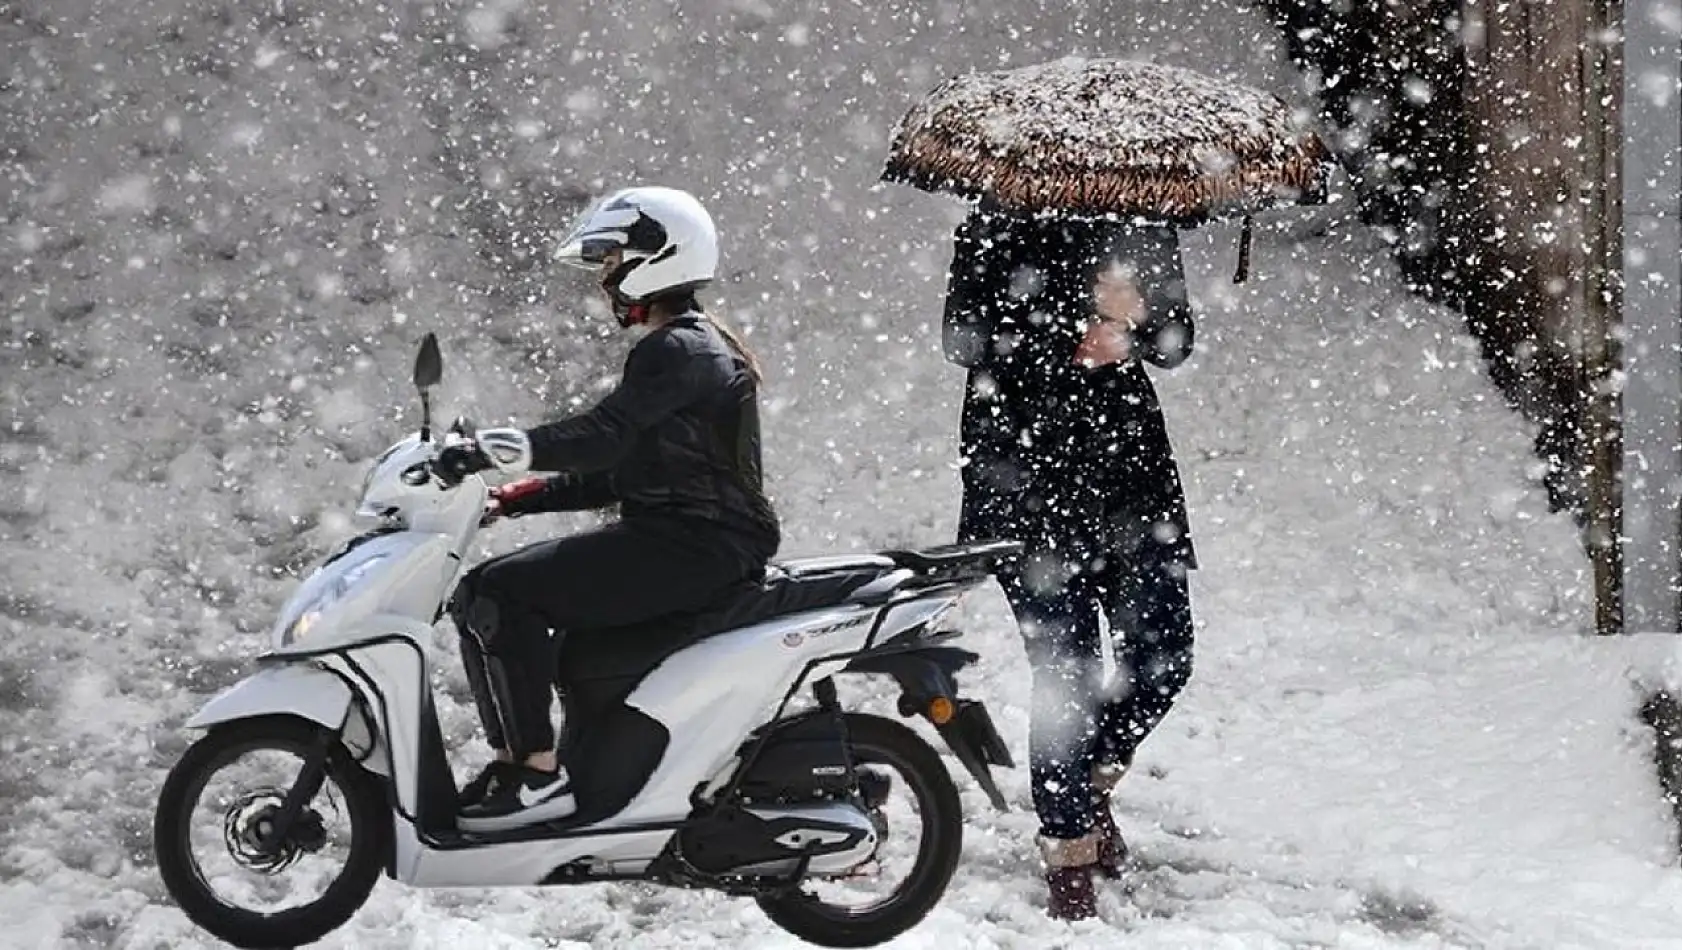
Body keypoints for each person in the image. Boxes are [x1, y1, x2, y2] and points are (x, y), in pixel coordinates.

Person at [433, 186, 780, 832]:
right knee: (523, 619)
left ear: (660, 257)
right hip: (694, 541)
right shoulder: (688, 346)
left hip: (698, 546)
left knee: (497, 593)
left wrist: (495, 451)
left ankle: (533, 776)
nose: (605, 277)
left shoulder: (679, 349)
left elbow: (602, 438)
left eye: (613, 258)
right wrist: (521, 497)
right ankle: (528, 770)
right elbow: (626, 471)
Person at [943, 204, 1197, 919]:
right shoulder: (992, 224)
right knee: (1068, 677)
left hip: (1130, 486)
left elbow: (1176, 343)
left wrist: (1135, 324)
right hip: (1024, 484)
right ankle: (1068, 853)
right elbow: (962, 341)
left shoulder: (1143, 222)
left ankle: (1083, 787)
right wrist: (1071, 326)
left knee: (1165, 654)